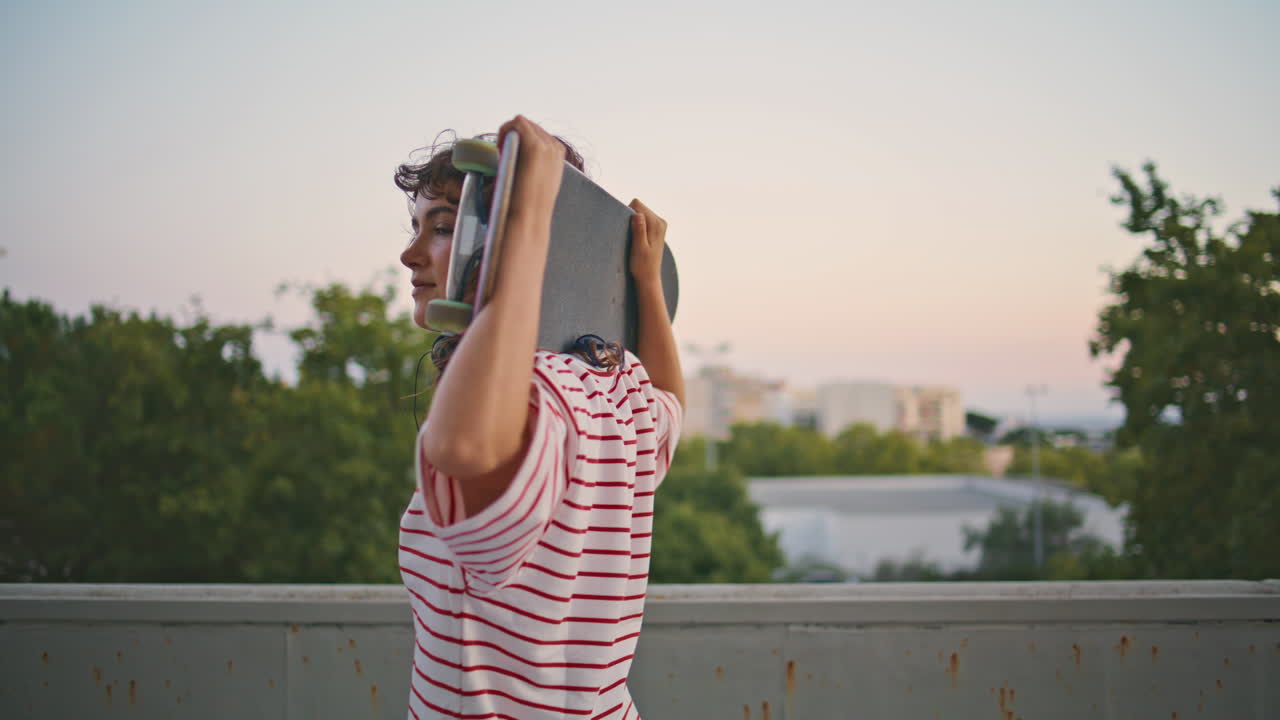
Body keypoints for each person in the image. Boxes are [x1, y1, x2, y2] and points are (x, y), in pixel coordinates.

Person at [394, 115, 685, 720]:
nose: (410, 254)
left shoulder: (539, 393)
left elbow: (465, 447)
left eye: (445, 227)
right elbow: (669, 413)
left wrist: (524, 227)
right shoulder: (610, 386)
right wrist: (646, 286)